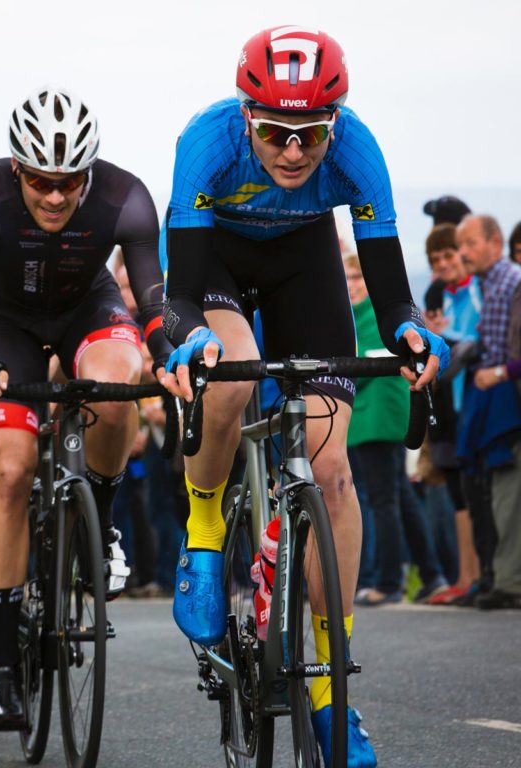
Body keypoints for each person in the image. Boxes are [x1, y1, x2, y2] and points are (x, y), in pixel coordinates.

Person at [159, 27, 448, 767]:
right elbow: (180, 296)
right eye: (275, 133)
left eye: (312, 133)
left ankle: (329, 688)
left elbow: (393, 299)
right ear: (247, 118)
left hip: (302, 262)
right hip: (215, 262)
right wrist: (189, 336)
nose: (293, 152)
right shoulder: (207, 141)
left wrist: (411, 333)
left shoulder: (359, 152)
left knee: (332, 472)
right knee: (235, 369)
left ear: (335, 123)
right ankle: (203, 529)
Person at [0, 86, 173, 731]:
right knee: (9, 470)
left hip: (85, 307)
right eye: (41, 181)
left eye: (71, 181)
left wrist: (167, 353)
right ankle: (2, 665)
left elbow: (152, 301)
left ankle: (103, 527)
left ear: (90, 170)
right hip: (0, 319)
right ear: (17, 168)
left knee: (116, 387)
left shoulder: (125, 196)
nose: (56, 197)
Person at [344, 254, 448, 607]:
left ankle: (388, 582)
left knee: (382, 501)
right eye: (347, 278)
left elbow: (358, 366)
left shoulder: (377, 316)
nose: (352, 285)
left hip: (379, 419)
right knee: (399, 498)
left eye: (358, 277)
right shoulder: (357, 315)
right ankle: (431, 575)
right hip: (370, 419)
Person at [457, 215, 521, 610]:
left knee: (507, 493)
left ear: (495, 242)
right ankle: (500, 576)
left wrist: (496, 373)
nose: (463, 253)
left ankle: (509, 581)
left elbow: (506, 354)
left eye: (470, 243)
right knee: (498, 492)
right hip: (499, 398)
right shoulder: (491, 284)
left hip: (508, 397)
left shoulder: (510, 282)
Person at [421, 224, 483, 604]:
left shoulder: (478, 289)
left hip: (476, 403)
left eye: (448, 255)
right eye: (436, 260)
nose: (443, 264)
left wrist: (443, 339)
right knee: (459, 493)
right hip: (447, 409)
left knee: (477, 493)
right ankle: (466, 578)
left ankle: (480, 577)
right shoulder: (437, 295)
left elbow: (477, 341)